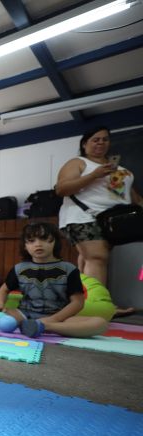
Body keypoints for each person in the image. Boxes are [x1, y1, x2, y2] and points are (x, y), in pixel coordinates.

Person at [0, 222, 108, 338]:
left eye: (44, 239)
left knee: (99, 323)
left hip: (59, 317)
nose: (38, 244)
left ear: (55, 242)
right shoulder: (20, 269)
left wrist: (53, 320)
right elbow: (4, 289)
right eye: (31, 241)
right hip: (23, 315)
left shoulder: (69, 269)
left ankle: (43, 328)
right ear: (25, 246)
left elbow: (77, 302)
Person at [55, 126, 141, 315]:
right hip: (83, 215)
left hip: (112, 221)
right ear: (85, 144)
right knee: (97, 257)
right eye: (95, 139)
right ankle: (98, 305)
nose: (101, 142)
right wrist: (94, 175)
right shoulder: (79, 163)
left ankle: (84, 303)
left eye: (105, 139)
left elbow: (129, 196)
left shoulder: (120, 169)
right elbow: (61, 189)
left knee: (91, 260)